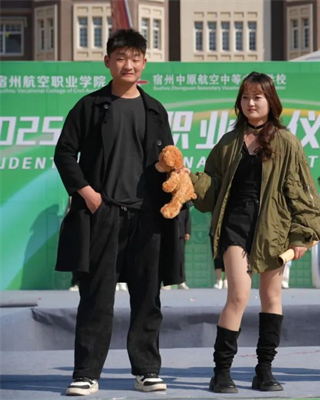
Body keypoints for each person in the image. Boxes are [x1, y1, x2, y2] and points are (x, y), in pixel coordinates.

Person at [54, 29, 183, 396]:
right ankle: (86, 373)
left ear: (145, 63)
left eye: (135, 58)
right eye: (121, 58)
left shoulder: (154, 109)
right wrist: (88, 194)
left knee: (147, 296)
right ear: (107, 62)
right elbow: (64, 153)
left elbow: (168, 159)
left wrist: (179, 177)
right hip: (102, 213)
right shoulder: (89, 106)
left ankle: (146, 370)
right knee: (96, 296)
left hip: (147, 217)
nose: (129, 64)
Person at [190, 72, 320, 393]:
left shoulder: (287, 142)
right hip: (235, 225)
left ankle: (264, 370)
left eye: (258, 97)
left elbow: (301, 192)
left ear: (270, 101)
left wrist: (301, 234)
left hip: (273, 228)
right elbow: (211, 189)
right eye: (246, 97)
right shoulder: (228, 142)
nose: (251, 103)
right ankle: (221, 371)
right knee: (238, 295)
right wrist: (190, 181)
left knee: (271, 296)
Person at [163, 205, 191, 290]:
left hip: (181, 234)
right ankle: (167, 282)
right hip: (168, 232)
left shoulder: (184, 202)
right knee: (167, 257)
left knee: (180, 258)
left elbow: (187, 218)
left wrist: (187, 231)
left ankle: (181, 282)